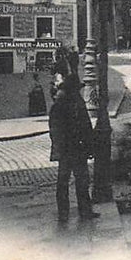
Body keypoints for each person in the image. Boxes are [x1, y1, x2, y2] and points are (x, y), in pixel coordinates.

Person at [48, 51, 98, 223]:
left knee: (82, 180)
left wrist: (90, 145)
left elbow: (85, 125)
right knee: (64, 181)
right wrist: (59, 148)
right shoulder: (62, 101)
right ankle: (64, 212)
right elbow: (55, 127)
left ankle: (85, 210)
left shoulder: (75, 100)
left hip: (78, 147)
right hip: (69, 148)